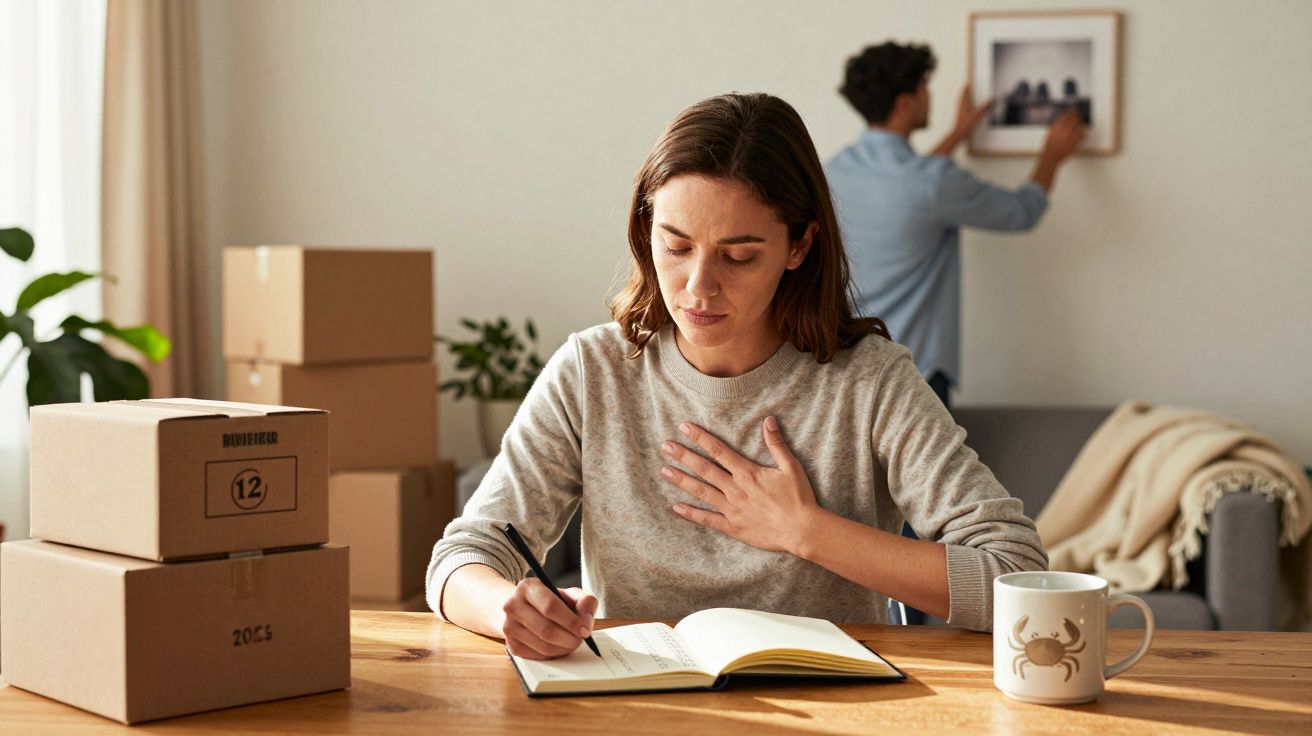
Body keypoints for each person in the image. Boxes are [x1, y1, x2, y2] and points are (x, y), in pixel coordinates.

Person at [426, 93, 1047, 660]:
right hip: (640, 711)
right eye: (675, 246)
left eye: (739, 256)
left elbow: (1014, 574)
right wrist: (506, 610)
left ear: (799, 247)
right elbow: (461, 559)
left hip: (837, 711)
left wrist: (806, 531)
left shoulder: (870, 382)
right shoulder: (592, 372)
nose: (699, 287)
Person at [827, 42, 1086, 408]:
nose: (929, 97)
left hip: (846, 371)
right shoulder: (933, 183)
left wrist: (959, 133)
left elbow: (910, 190)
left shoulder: (831, 173)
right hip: (914, 377)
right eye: (924, 88)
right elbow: (1021, 212)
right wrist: (1051, 158)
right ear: (904, 103)